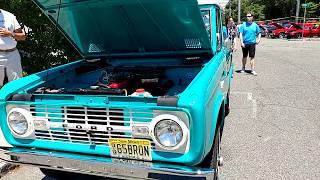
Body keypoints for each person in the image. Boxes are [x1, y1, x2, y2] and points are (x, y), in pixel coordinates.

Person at [0, 9, 26, 87]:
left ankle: (17, 99)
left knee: (17, 85)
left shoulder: (9, 16)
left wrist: (10, 33)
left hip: (13, 55)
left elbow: (23, 37)